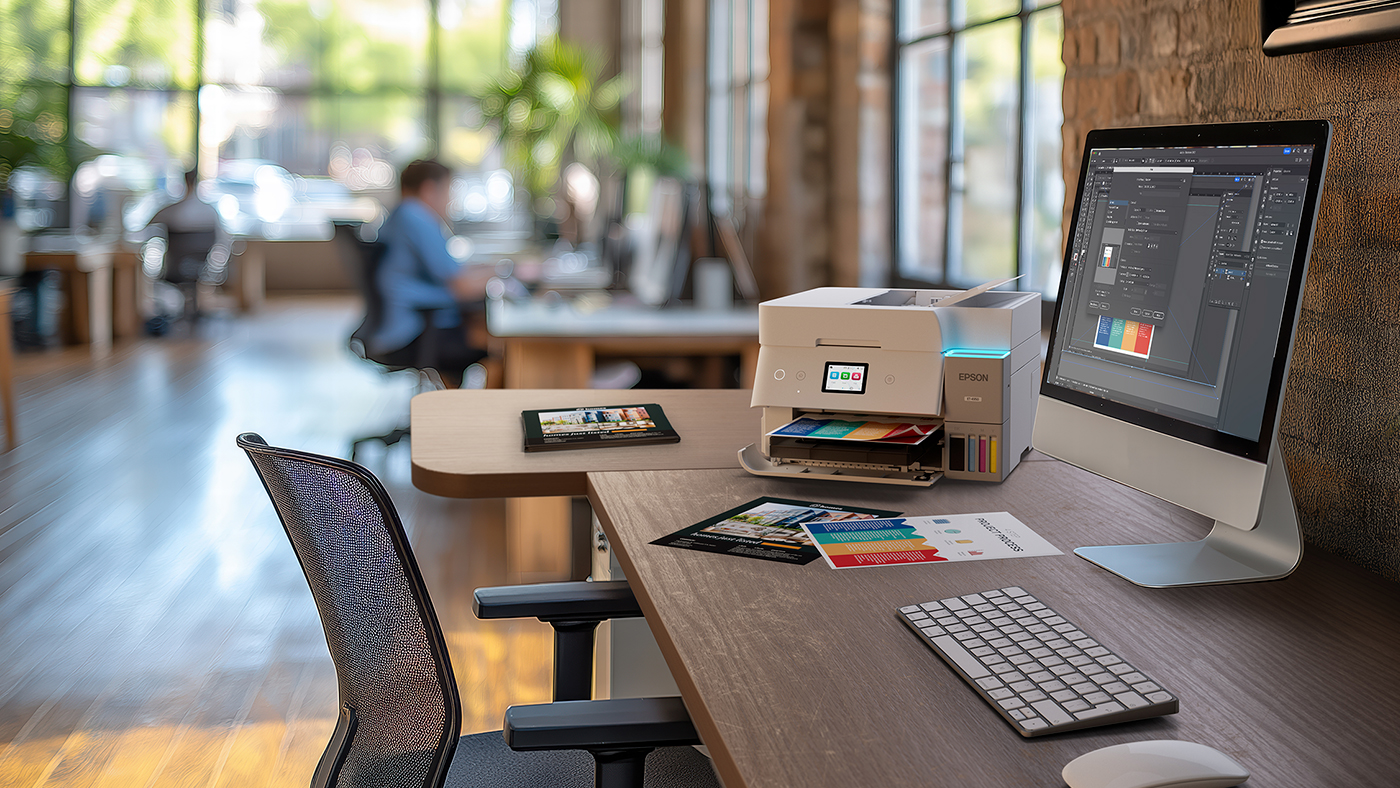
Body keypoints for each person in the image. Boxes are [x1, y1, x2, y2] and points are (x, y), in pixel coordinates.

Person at [370, 159, 491, 386]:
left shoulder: (401, 214)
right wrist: (507, 277)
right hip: (417, 332)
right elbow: (462, 287)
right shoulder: (416, 216)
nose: (450, 201)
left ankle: (451, 403)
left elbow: (452, 272)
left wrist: (492, 271)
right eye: (448, 192)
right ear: (428, 190)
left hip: (413, 325)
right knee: (499, 347)